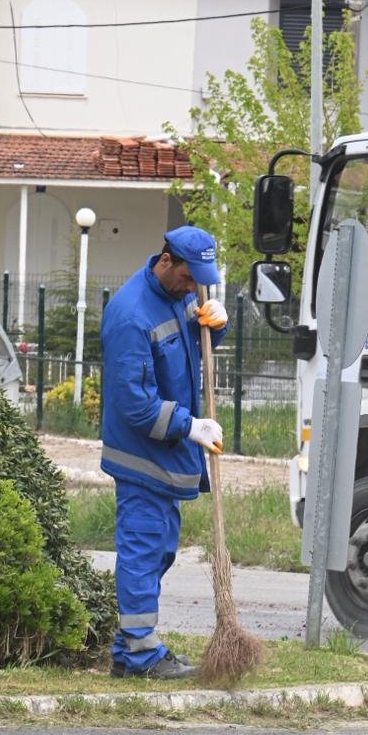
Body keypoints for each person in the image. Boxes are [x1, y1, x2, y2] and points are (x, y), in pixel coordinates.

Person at [100, 225, 230, 679]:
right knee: (143, 550)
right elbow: (136, 405)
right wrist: (190, 426)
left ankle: (129, 646)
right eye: (190, 277)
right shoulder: (130, 316)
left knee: (160, 552)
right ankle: (141, 655)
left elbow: (195, 351)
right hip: (142, 457)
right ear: (166, 260)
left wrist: (216, 324)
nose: (195, 287)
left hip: (167, 457)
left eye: (201, 281)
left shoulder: (180, 297)